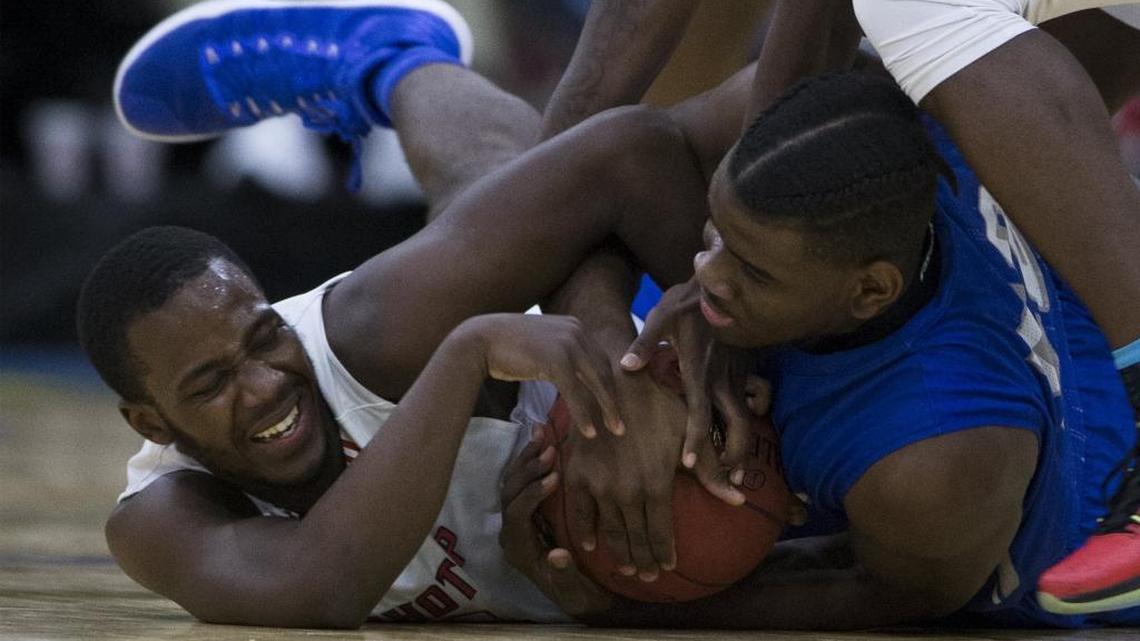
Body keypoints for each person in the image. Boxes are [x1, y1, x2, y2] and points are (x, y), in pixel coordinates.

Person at [85, 0, 758, 627]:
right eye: (211, 384)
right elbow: (320, 587)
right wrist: (616, 612)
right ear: (151, 423)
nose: (264, 386)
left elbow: (627, 156)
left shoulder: (372, 333)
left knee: (701, 128)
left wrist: (616, 386)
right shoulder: (158, 520)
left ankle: (385, 57)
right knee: (487, 199)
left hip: (624, 304)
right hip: (507, 311)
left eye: (266, 338)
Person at [543, 0, 1140, 615]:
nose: (707, 274)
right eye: (717, 235)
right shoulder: (841, 144)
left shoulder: (935, 460)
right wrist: (608, 381)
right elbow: (601, 166)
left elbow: (895, 595)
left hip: (1030, 499)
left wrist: (633, 607)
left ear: (869, 290)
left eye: (747, 264)